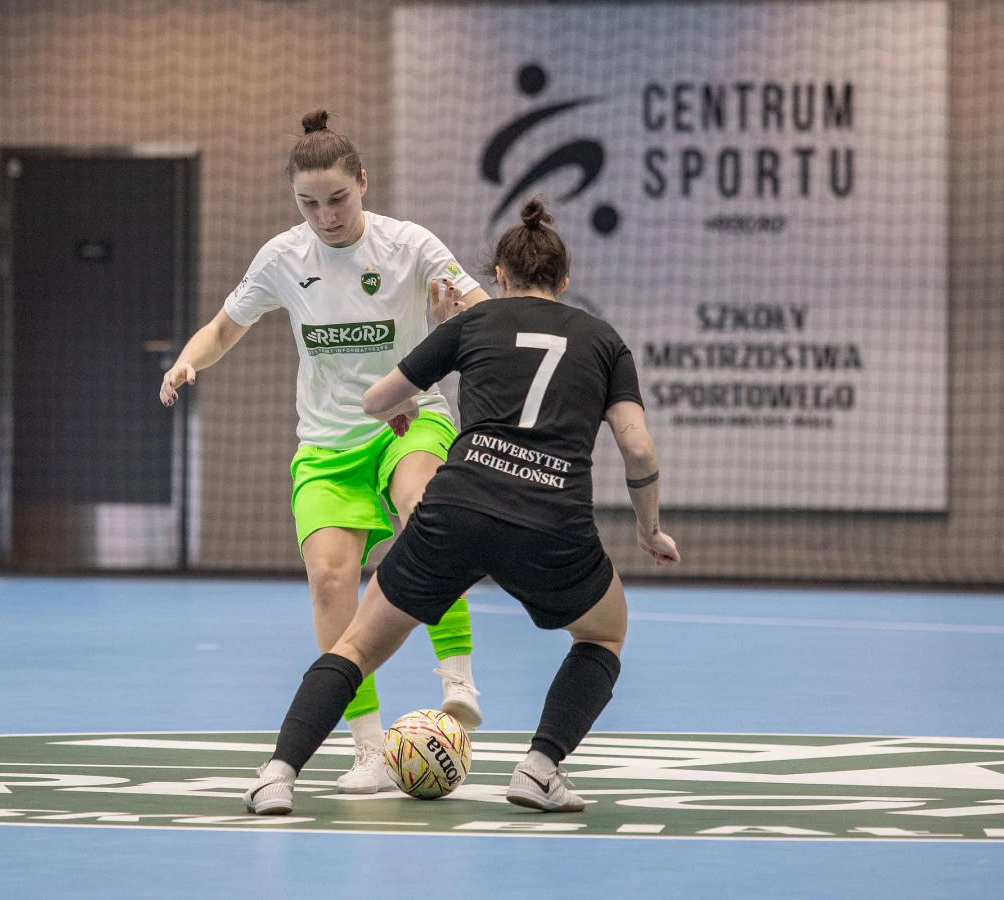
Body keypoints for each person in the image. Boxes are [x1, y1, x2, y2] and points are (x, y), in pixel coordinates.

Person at [242, 197, 679, 816]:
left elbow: (375, 400)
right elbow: (637, 448)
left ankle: (277, 776)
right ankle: (540, 768)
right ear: (565, 279)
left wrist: (409, 395)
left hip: (458, 509)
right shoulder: (605, 340)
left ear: (498, 277)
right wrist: (649, 528)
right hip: (552, 522)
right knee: (604, 634)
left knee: (357, 646)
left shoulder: (475, 323)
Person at [160, 110, 488, 794]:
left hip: (409, 419)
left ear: (363, 182)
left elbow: (480, 308)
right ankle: (369, 750)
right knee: (332, 584)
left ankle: (457, 676)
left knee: (426, 509)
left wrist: (458, 324)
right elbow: (222, 329)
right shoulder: (282, 258)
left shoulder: (410, 244)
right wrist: (189, 361)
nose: (325, 216)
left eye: (337, 198)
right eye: (308, 203)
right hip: (327, 444)